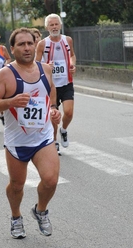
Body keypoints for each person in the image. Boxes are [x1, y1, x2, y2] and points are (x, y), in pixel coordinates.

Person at [0, 28, 61, 239]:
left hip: (43, 137)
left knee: (51, 180)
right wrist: (11, 102)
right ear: (12, 49)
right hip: (17, 141)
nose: (27, 48)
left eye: (30, 43)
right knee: (17, 185)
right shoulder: (5, 74)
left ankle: (40, 210)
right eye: (21, 44)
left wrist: (54, 109)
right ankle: (16, 217)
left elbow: (51, 90)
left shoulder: (45, 69)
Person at [35, 13, 76, 155]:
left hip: (66, 82)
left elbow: (72, 55)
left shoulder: (67, 40)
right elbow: (36, 64)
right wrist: (46, 66)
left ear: (60, 25)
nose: (54, 27)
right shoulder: (43, 44)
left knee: (69, 112)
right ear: (47, 27)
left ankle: (63, 130)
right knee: (54, 114)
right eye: (51, 25)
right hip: (50, 85)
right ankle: (54, 141)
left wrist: (72, 64)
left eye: (56, 24)